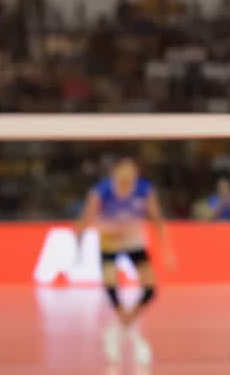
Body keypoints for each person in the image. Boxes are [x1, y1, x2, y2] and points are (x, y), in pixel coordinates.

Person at [76, 157, 176, 368]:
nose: (127, 177)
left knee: (150, 288)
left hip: (133, 238)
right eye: (123, 172)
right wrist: (80, 244)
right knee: (110, 282)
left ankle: (124, 324)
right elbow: (87, 217)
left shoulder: (144, 189)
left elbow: (157, 219)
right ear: (115, 173)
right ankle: (123, 325)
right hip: (109, 239)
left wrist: (167, 251)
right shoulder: (101, 191)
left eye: (132, 172)